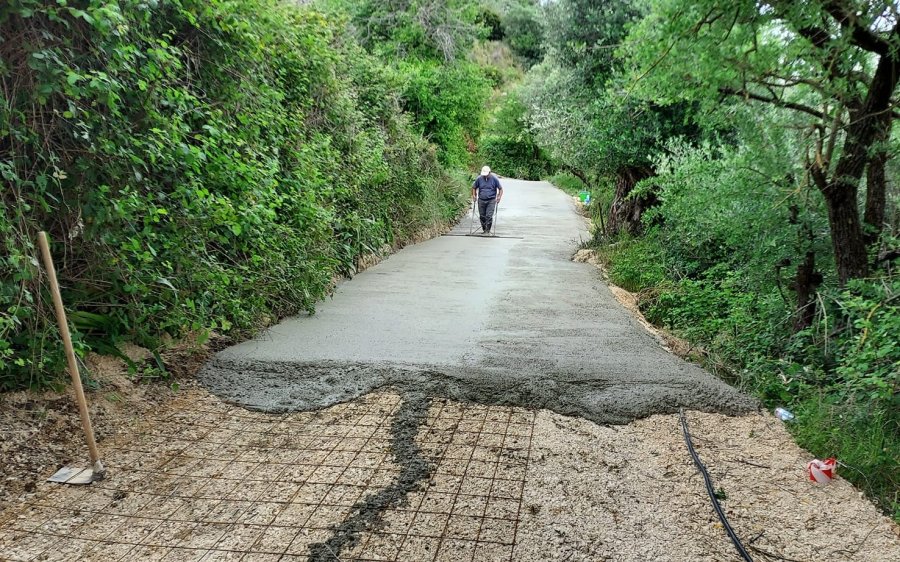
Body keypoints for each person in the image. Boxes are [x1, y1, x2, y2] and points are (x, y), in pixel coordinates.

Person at [472, 165, 503, 234]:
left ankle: (487, 230)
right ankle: (484, 229)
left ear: (490, 172)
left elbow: (500, 189)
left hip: (491, 200)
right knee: (482, 216)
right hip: (481, 200)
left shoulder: (494, 179)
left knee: (488, 216)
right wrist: (474, 195)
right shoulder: (479, 178)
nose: (485, 176)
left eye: (486, 175)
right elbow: (474, 187)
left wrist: (499, 197)